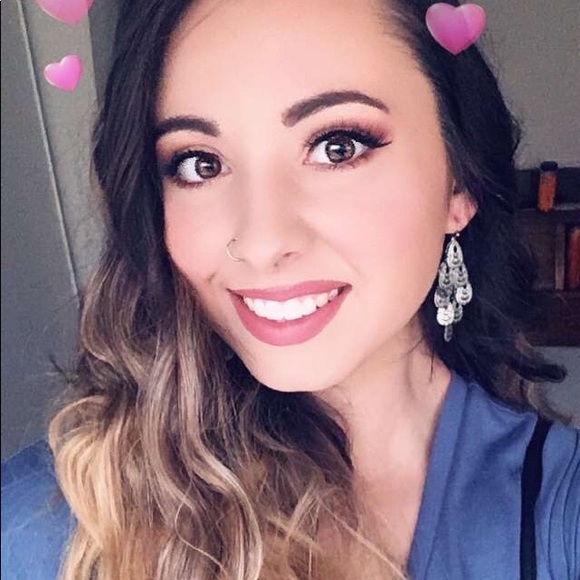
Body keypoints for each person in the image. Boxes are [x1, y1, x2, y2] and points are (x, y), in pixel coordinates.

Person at [2, 0, 578, 578]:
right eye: (200, 164)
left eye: (337, 147)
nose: (260, 242)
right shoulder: (50, 522)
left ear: (459, 185)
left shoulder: (559, 511)